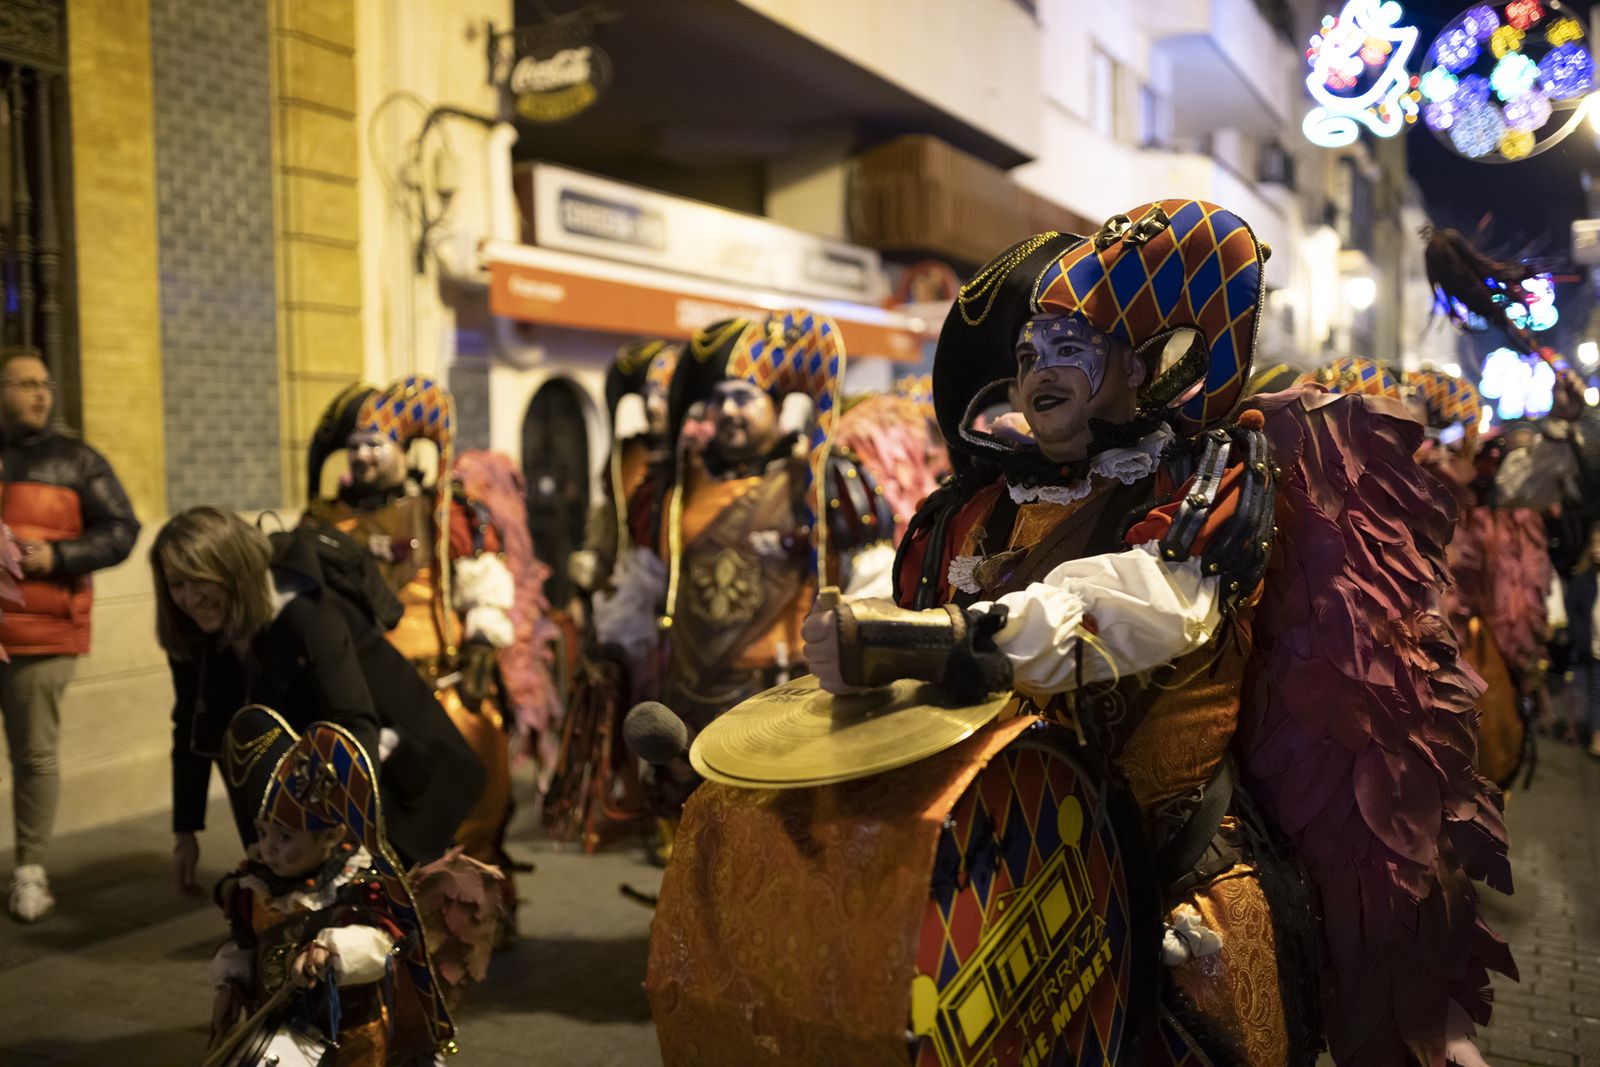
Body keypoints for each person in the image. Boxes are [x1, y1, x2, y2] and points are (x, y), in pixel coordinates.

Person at [801, 203, 1512, 1065]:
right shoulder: (979, 505)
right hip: (1006, 868)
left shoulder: (1205, 479)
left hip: (1173, 884)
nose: (1040, 370)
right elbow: (900, 602)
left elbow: (1138, 606)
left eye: (1070, 347)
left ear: (1136, 366)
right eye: (1028, 355)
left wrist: (936, 642)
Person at [607, 312, 895, 825]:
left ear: (778, 404)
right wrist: (615, 648)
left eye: (743, 397)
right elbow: (643, 580)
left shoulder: (824, 480)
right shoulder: (672, 489)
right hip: (689, 702)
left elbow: (873, 579)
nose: (727, 411)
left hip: (788, 700)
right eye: (718, 399)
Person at [153, 506, 481, 892]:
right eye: (177, 584)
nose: (190, 598)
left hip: (388, 787)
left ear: (233, 570)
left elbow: (354, 723)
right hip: (293, 802)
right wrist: (185, 831)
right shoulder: (193, 636)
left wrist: (353, 844)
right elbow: (192, 726)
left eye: (200, 580)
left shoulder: (306, 614)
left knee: (391, 912)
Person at [302, 376, 518, 900]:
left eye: (375, 445)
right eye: (354, 447)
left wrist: (482, 648)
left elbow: (483, 586)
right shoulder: (323, 520)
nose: (362, 457)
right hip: (360, 700)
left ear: (403, 450)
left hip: (444, 692)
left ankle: (476, 913)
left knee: (473, 810)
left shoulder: (443, 510)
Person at [207, 705, 455, 1065]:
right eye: (262, 833)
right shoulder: (255, 888)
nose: (268, 848)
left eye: (285, 837)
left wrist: (330, 950)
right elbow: (244, 945)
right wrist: (229, 986)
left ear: (331, 836)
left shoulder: (355, 888)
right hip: (283, 1035)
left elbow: (384, 944)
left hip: (351, 1041)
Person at [0, 345, 140, 922]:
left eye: (46, 384)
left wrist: (57, 556)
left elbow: (122, 530)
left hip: (41, 632)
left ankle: (30, 870)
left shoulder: (77, 461)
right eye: (26, 384)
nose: (41, 394)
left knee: (34, 754)